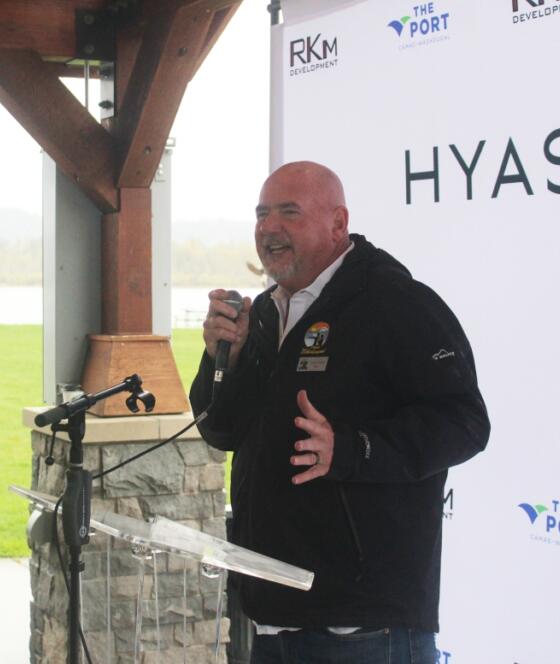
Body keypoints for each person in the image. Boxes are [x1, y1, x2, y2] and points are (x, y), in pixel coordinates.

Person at [189, 161, 490, 663]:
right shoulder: (263, 313)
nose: (269, 228)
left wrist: (352, 449)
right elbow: (221, 430)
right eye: (262, 214)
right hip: (270, 618)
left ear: (338, 223)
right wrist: (229, 358)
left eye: (290, 212)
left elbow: (464, 422)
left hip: (363, 629)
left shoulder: (396, 303)